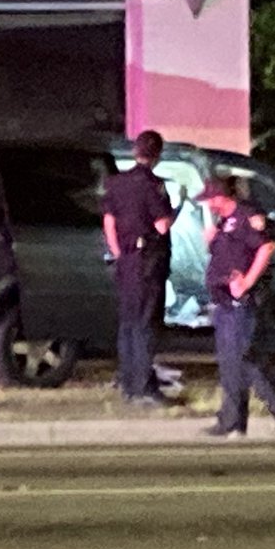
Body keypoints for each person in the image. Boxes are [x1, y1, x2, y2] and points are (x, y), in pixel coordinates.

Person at [196, 177, 275, 436]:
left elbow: (266, 247)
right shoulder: (226, 222)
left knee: (245, 360)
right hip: (224, 301)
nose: (208, 204)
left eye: (210, 199)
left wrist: (247, 282)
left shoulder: (247, 216)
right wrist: (210, 240)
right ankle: (232, 420)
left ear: (221, 197)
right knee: (230, 363)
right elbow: (228, 254)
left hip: (241, 302)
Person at [102, 130, 175, 405]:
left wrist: (120, 252)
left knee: (128, 323)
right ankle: (144, 387)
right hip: (148, 260)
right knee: (145, 323)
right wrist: (174, 211)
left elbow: (109, 222)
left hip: (126, 259)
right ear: (157, 154)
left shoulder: (116, 183)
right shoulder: (153, 185)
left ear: (135, 151)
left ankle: (128, 383)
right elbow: (162, 225)